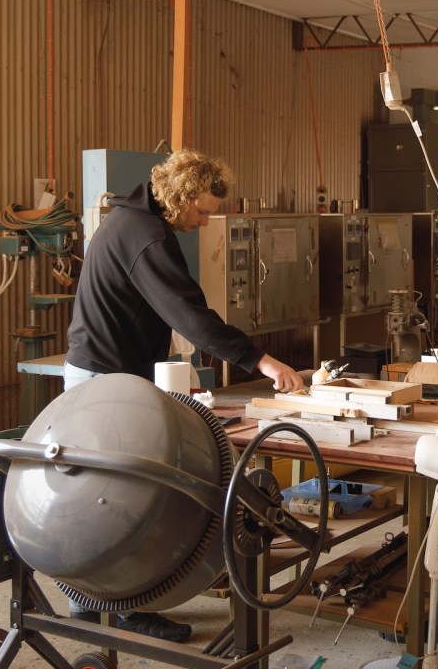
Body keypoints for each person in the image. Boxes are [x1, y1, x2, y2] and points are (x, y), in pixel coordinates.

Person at [62, 148, 304, 642]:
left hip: (110, 377)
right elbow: (190, 316)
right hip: (103, 383)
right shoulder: (145, 236)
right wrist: (262, 361)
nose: (206, 221)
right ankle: (114, 607)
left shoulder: (132, 221)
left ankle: (98, 603)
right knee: (119, 502)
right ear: (182, 196)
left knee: (109, 499)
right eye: (203, 210)